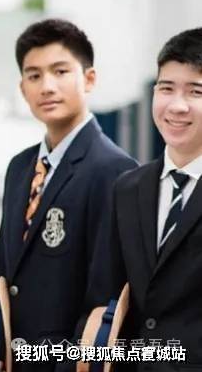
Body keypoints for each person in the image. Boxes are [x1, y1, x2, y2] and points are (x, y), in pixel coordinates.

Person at [0, 19, 137, 370]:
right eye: (34, 75)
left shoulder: (115, 171)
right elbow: (0, 277)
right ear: (22, 88)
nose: (47, 86)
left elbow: (106, 297)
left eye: (60, 71)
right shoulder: (20, 167)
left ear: (89, 79)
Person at [87, 27, 202, 371]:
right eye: (166, 88)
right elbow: (103, 297)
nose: (177, 106)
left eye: (196, 91)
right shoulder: (128, 188)